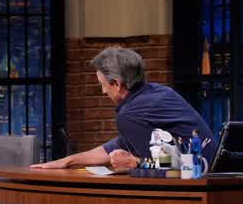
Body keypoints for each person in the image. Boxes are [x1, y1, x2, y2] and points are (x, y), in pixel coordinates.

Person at [31, 47, 216, 171]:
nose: (103, 91)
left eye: (102, 84)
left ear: (117, 84)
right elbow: (119, 145)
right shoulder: (159, 91)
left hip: (198, 176)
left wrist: (134, 162)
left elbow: (161, 168)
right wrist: (67, 161)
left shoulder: (129, 115)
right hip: (213, 169)